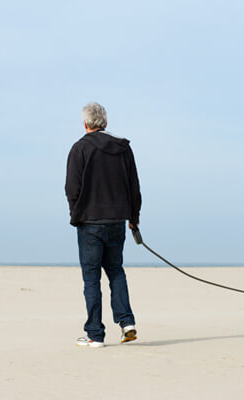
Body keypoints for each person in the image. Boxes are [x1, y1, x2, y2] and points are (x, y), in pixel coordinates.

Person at [65, 102, 142, 348]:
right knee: (116, 271)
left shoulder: (80, 148)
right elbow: (133, 186)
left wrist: (75, 213)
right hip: (117, 220)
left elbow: (72, 188)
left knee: (91, 278)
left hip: (89, 221)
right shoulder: (122, 148)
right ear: (105, 123)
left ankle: (95, 334)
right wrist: (134, 216)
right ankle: (127, 323)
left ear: (86, 124)